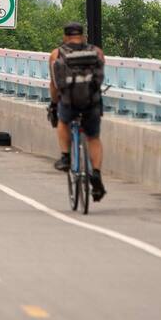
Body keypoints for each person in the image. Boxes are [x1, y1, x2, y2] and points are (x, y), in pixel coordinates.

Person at [48, 22, 107, 201]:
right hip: (91, 102)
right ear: (82, 36)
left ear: (65, 36)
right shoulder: (97, 52)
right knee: (93, 138)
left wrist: (54, 104)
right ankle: (96, 174)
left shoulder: (57, 54)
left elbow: (54, 85)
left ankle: (66, 157)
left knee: (63, 122)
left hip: (69, 102)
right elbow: (99, 78)